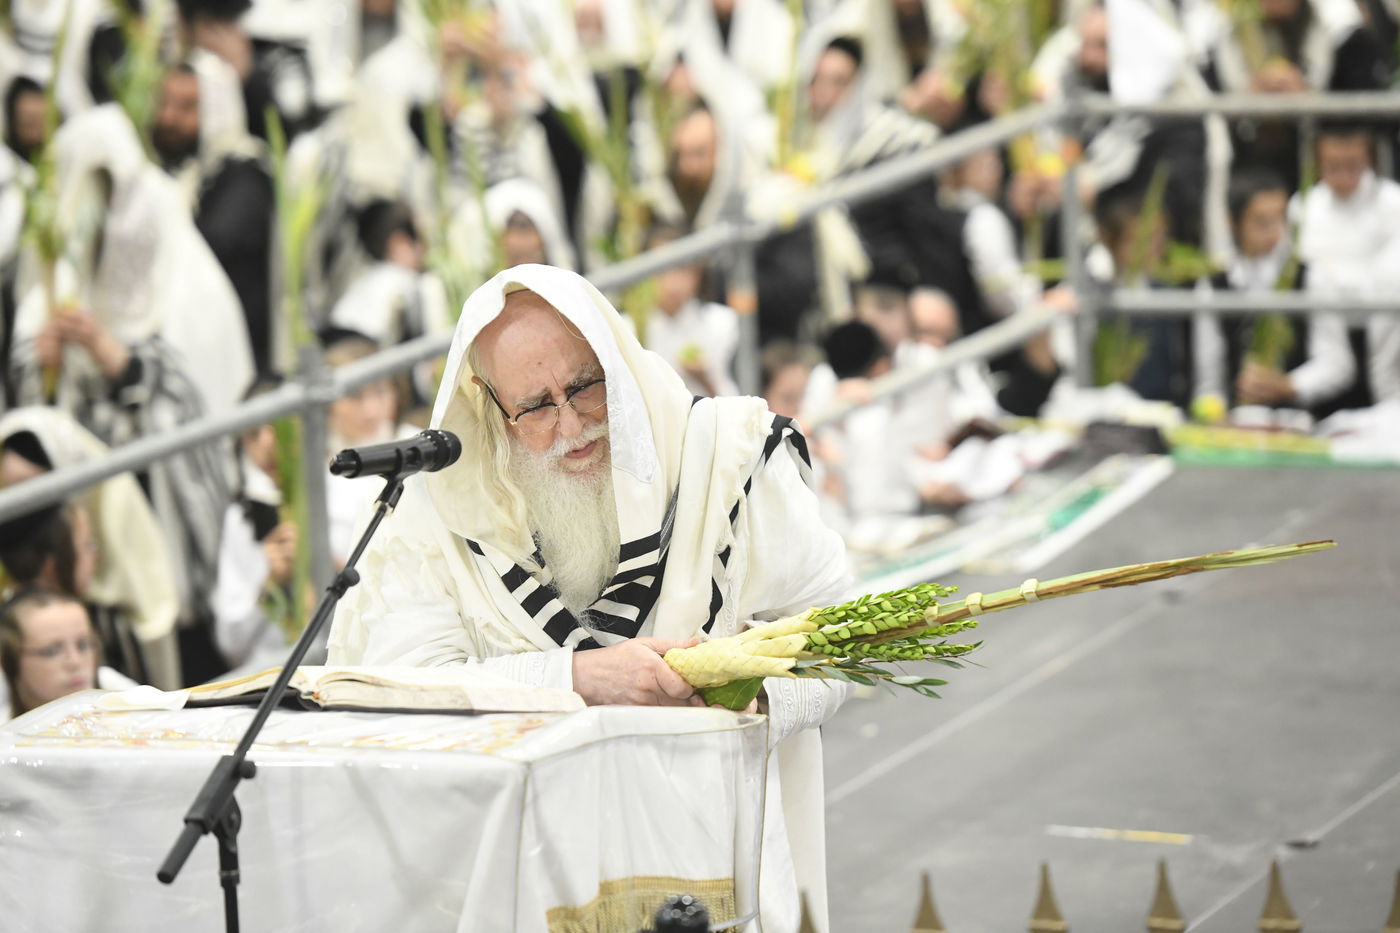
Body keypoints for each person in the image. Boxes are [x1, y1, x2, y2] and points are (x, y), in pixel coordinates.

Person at [329, 264, 850, 932]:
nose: (572, 423)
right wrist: (580, 679)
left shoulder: (730, 458)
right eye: (537, 406)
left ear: (617, 364)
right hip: (533, 891)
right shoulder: (438, 519)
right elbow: (407, 691)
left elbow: (835, 641)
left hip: (716, 869)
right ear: (490, 404)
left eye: (584, 385)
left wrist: (750, 690)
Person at [1196, 168, 1358, 418]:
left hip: (1301, 426)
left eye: (1281, 219)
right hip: (1235, 431)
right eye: (1262, 222)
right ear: (1233, 223)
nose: (1276, 233)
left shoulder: (1311, 278)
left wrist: (1289, 386)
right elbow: (1208, 381)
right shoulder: (1213, 285)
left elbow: (1337, 364)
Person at [0, 587, 136, 723]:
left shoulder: (117, 689)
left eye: (83, 645)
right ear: (10, 660)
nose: (75, 662)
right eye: (51, 652)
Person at [642, 224, 740, 398]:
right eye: (661, 269)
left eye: (682, 268)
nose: (673, 281)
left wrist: (705, 378)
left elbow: (742, 405)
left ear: (698, 272)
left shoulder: (724, 323)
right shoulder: (627, 327)